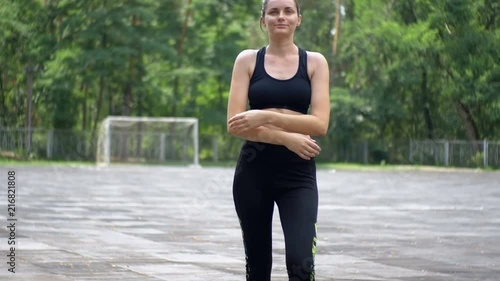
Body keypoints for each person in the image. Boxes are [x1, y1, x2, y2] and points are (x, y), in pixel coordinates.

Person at [227, 0, 330, 280]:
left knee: (301, 262)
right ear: (263, 21)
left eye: (288, 11)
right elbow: (236, 124)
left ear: (299, 18)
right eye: (273, 11)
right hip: (253, 172)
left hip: (298, 174)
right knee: (257, 267)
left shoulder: (315, 62)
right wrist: (287, 138)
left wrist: (262, 116)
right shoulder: (247, 60)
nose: (280, 16)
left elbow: (319, 124)